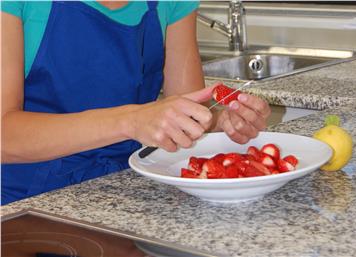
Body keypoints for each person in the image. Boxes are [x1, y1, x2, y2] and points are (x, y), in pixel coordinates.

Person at [1, 1, 271, 205]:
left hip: (124, 194)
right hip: (25, 204)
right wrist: (131, 120)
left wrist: (220, 121)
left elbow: (190, 114)